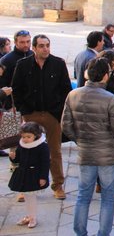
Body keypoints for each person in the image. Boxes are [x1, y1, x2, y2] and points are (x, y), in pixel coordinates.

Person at [61, 57, 114, 236]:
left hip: (86, 152)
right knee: (108, 198)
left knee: (83, 196)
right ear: (106, 76)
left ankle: (80, 232)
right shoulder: (110, 98)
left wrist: (80, 139)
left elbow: (66, 126)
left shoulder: (73, 94)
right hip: (108, 155)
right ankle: (103, 233)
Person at [11, 34, 71, 199]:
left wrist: (59, 111)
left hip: (52, 114)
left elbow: (66, 89)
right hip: (31, 114)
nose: (45, 49)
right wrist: (24, 110)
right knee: (27, 150)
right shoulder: (23, 65)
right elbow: (16, 89)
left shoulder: (58, 64)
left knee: (55, 151)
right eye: (42, 46)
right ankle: (24, 186)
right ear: (34, 48)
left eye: (47, 45)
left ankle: (57, 185)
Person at [8, 122, 50, 229]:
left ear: (36, 135)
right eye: (23, 136)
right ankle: (29, 216)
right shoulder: (22, 144)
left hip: (34, 176)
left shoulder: (42, 146)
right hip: (23, 174)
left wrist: (43, 177)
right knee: (27, 197)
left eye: (28, 137)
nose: (25, 139)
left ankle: (33, 217)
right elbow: (18, 160)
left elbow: (45, 163)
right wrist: (13, 157)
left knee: (31, 197)